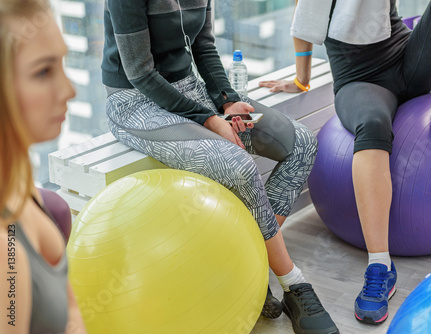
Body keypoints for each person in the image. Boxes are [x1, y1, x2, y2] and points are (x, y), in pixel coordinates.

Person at [101, 0, 338, 333]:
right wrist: (210, 119)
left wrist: (225, 99)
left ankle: (252, 269)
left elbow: (203, 45)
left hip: (191, 92)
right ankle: (294, 284)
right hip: (136, 102)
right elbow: (139, 71)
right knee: (239, 166)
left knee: (300, 143)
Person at [260, 0, 431, 325]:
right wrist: (301, 78)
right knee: (373, 126)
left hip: (409, 61)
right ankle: (380, 265)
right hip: (360, 81)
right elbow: (303, 19)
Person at [0, 0, 87, 333]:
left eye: (62, 65)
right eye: (43, 71)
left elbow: (71, 308)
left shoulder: (17, 171)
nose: (69, 90)